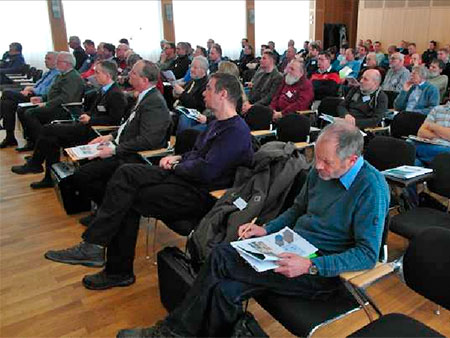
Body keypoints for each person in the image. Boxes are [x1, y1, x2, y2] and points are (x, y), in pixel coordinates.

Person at [116, 121, 390, 337]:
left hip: (320, 268)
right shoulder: (321, 173)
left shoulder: (371, 188)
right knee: (226, 290)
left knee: (222, 256)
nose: (317, 166)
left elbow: (367, 254)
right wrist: (267, 229)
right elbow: (296, 210)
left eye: (326, 162)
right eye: (317, 157)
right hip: (291, 247)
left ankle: (170, 332)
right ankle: (179, 333)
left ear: (352, 160)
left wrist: (309, 266)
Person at [44, 73, 254, 291]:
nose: (203, 92)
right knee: (127, 173)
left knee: (129, 198)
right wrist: (179, 158)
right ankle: (97, 248)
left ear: (223, 94)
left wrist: (176, 165)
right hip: (184, 177)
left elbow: (207, 170)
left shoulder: (236, 131)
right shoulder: (217, 124)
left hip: (200, 193)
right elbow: (198, 154)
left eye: (209, 88)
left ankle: (111, 263)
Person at [68, 60, 171, 226]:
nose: (129, 74)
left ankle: (112, 210)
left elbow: (149, 140)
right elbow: (128, 124)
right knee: (83, 163)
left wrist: (115, 150)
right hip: (121, 146)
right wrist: (109, 137)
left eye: (134, 73)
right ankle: (109, 208)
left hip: (133, 156)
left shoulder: (155, 103)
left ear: (144, 80)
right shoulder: (144, 96)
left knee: (83, 175)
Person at [10, 61, 127, 188]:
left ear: (107, 75)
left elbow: (114, 120)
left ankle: (35, 164)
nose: (95, 75)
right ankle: (49, 177)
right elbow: (94, 111)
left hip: (95, 132)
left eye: (97, 73)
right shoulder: (102, 91)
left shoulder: (116, 94)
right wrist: (85, 115)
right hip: (84, 126)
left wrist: (91, 120)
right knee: (50, 139)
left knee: (48, 129)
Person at [16, 52, 84, 151]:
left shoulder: (73, 77)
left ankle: (43, 145)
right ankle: (33, 142)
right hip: (55, 105)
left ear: (67, 63)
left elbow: (66, 98)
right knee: (22, 110)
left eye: (59, 62)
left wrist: (47, 104)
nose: (56, 64)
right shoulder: (61, 75)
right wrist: (42, 98)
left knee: (30, 113)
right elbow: (53, 93)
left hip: (64, 109)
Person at [0, 52, 60, 148]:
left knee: (7, 93)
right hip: (31, 94)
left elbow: (47, 91)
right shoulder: (48, 72)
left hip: (38, 98)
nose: (45, 61)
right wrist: (28, 88)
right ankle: (10, 136)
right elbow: (37, 84)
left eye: (48, 59)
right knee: (8, 103)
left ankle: (8, 134)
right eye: (45, 58)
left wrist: (32, 89)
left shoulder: (58, 74)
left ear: (57, 61)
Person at [173, 56, 210, 133]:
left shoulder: (206, 85)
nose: (191, 70)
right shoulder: (192, 81)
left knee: (184, 119)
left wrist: (182, 93)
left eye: (195, 68)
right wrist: (176, 93)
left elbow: (197, 105)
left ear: (203, 70)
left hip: (195, 114)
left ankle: (181, 143)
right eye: (191, 67)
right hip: (181, 109)